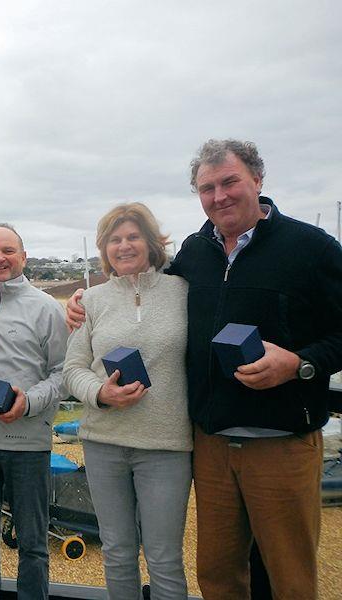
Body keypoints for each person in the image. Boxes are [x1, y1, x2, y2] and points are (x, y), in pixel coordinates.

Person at [67, 140, 342, 599]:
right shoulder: (197, 254)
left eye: (230, 182)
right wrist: (80, 303)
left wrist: (301, 364)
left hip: (281, 442)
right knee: (218, 575)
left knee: (289, 575)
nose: (219, 196)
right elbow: (130, 299)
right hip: (210, 444)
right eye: (207, 187)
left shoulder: (309, 248)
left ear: (257, 180)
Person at [62, 204, 192, 599]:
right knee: (117, 553)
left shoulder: (184, 292)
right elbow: (73, 368)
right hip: (104, 443)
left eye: (133, 236)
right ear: (105, 249)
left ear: (152, 243)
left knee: (164, 558)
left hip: (165, 447)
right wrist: (100, 393)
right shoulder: (92, 301)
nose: (124, 246)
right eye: (115, 240)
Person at [0, 223, 69, 600]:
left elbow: (62, 374)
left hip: (28, 443)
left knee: (34, 545)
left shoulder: (46, 308)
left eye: (7, 251)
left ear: (23, 256)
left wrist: (29, 402)